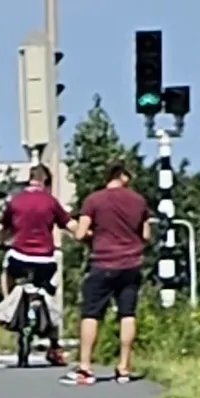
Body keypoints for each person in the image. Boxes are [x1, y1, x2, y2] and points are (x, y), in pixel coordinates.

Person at [69, 159, 152, 385]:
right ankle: (124, 367)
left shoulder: (93, 200)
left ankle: (86, 366)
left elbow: (80, 233)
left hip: (103, 263)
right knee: (127, 314)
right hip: (131, 264)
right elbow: (145, 235)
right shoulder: (139, 201)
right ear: (122, 176)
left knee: (91, 314)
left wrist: (93, 236)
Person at [0, 164, 68, 361]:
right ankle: (55, 345)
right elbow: (68, 224)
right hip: (45, 258)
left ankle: (7, 306)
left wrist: (1, 241)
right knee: (48, 294)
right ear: (46, 181)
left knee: (6, 271)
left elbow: (2, 226)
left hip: (19, 256)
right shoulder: (51, 202)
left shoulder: (15, 201)